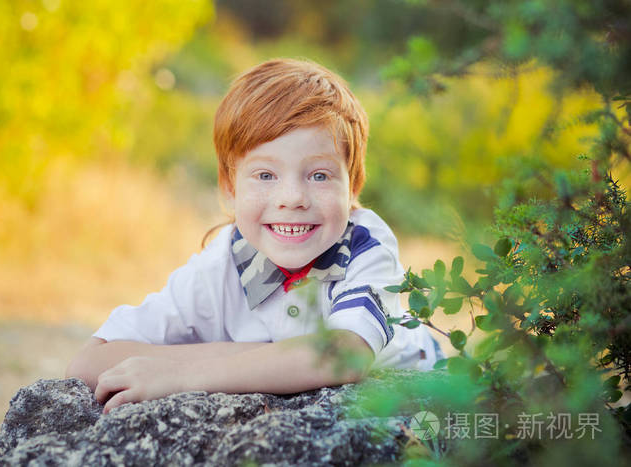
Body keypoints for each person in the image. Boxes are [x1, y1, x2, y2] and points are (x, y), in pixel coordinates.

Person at [66, 58, 442, 413]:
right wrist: (256, 357)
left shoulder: (365, 245)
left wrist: (182, 374)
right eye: (265, 175)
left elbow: (344, 355)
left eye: (320, 175)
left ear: (353, 185)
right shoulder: (222, 263)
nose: (292, 198)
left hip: (428, 400)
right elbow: (89, 362)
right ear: (230, 188)